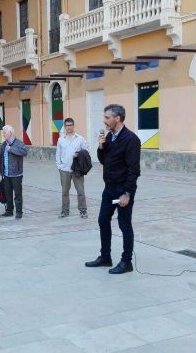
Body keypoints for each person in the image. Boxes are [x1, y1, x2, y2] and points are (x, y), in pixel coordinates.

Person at [85, 104, 141, 275]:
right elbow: (103, 160)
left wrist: (127, 193)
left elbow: (134, 170)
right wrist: (101, 146)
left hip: (123, 189)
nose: (105, 121)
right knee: (103, 220)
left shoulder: (131, 139)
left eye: (107, 117)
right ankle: (105, 257)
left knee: (124, 225)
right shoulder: (109, 137)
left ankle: (126, 262)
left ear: (118, 118)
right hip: (109, 188)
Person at [56, 118, 88, 219]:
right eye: (67, 125)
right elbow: (58, 154)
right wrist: (59, 166)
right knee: (65, 192)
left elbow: (86, 153)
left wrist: (78, 154)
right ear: (65, 127)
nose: (69, 127)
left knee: (80, 191)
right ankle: (65, 211)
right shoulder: (61, 139)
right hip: (64, 169)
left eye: (70, 125)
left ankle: (83, 211)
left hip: (77, 170)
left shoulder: (80, 139)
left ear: (73, 126)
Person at [0, 125, 28, 219]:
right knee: (8, 193)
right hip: (6, 173)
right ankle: (9, 210)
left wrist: (11, 149)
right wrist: (1, 170)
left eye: (4, 132)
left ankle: (19, 212)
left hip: (16, 174)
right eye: (3, 133)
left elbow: (24, 152)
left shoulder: (19, 143)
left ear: (10, 133)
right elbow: (1, 158)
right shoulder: (4, 144)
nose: (3, 134)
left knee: (18, 193)